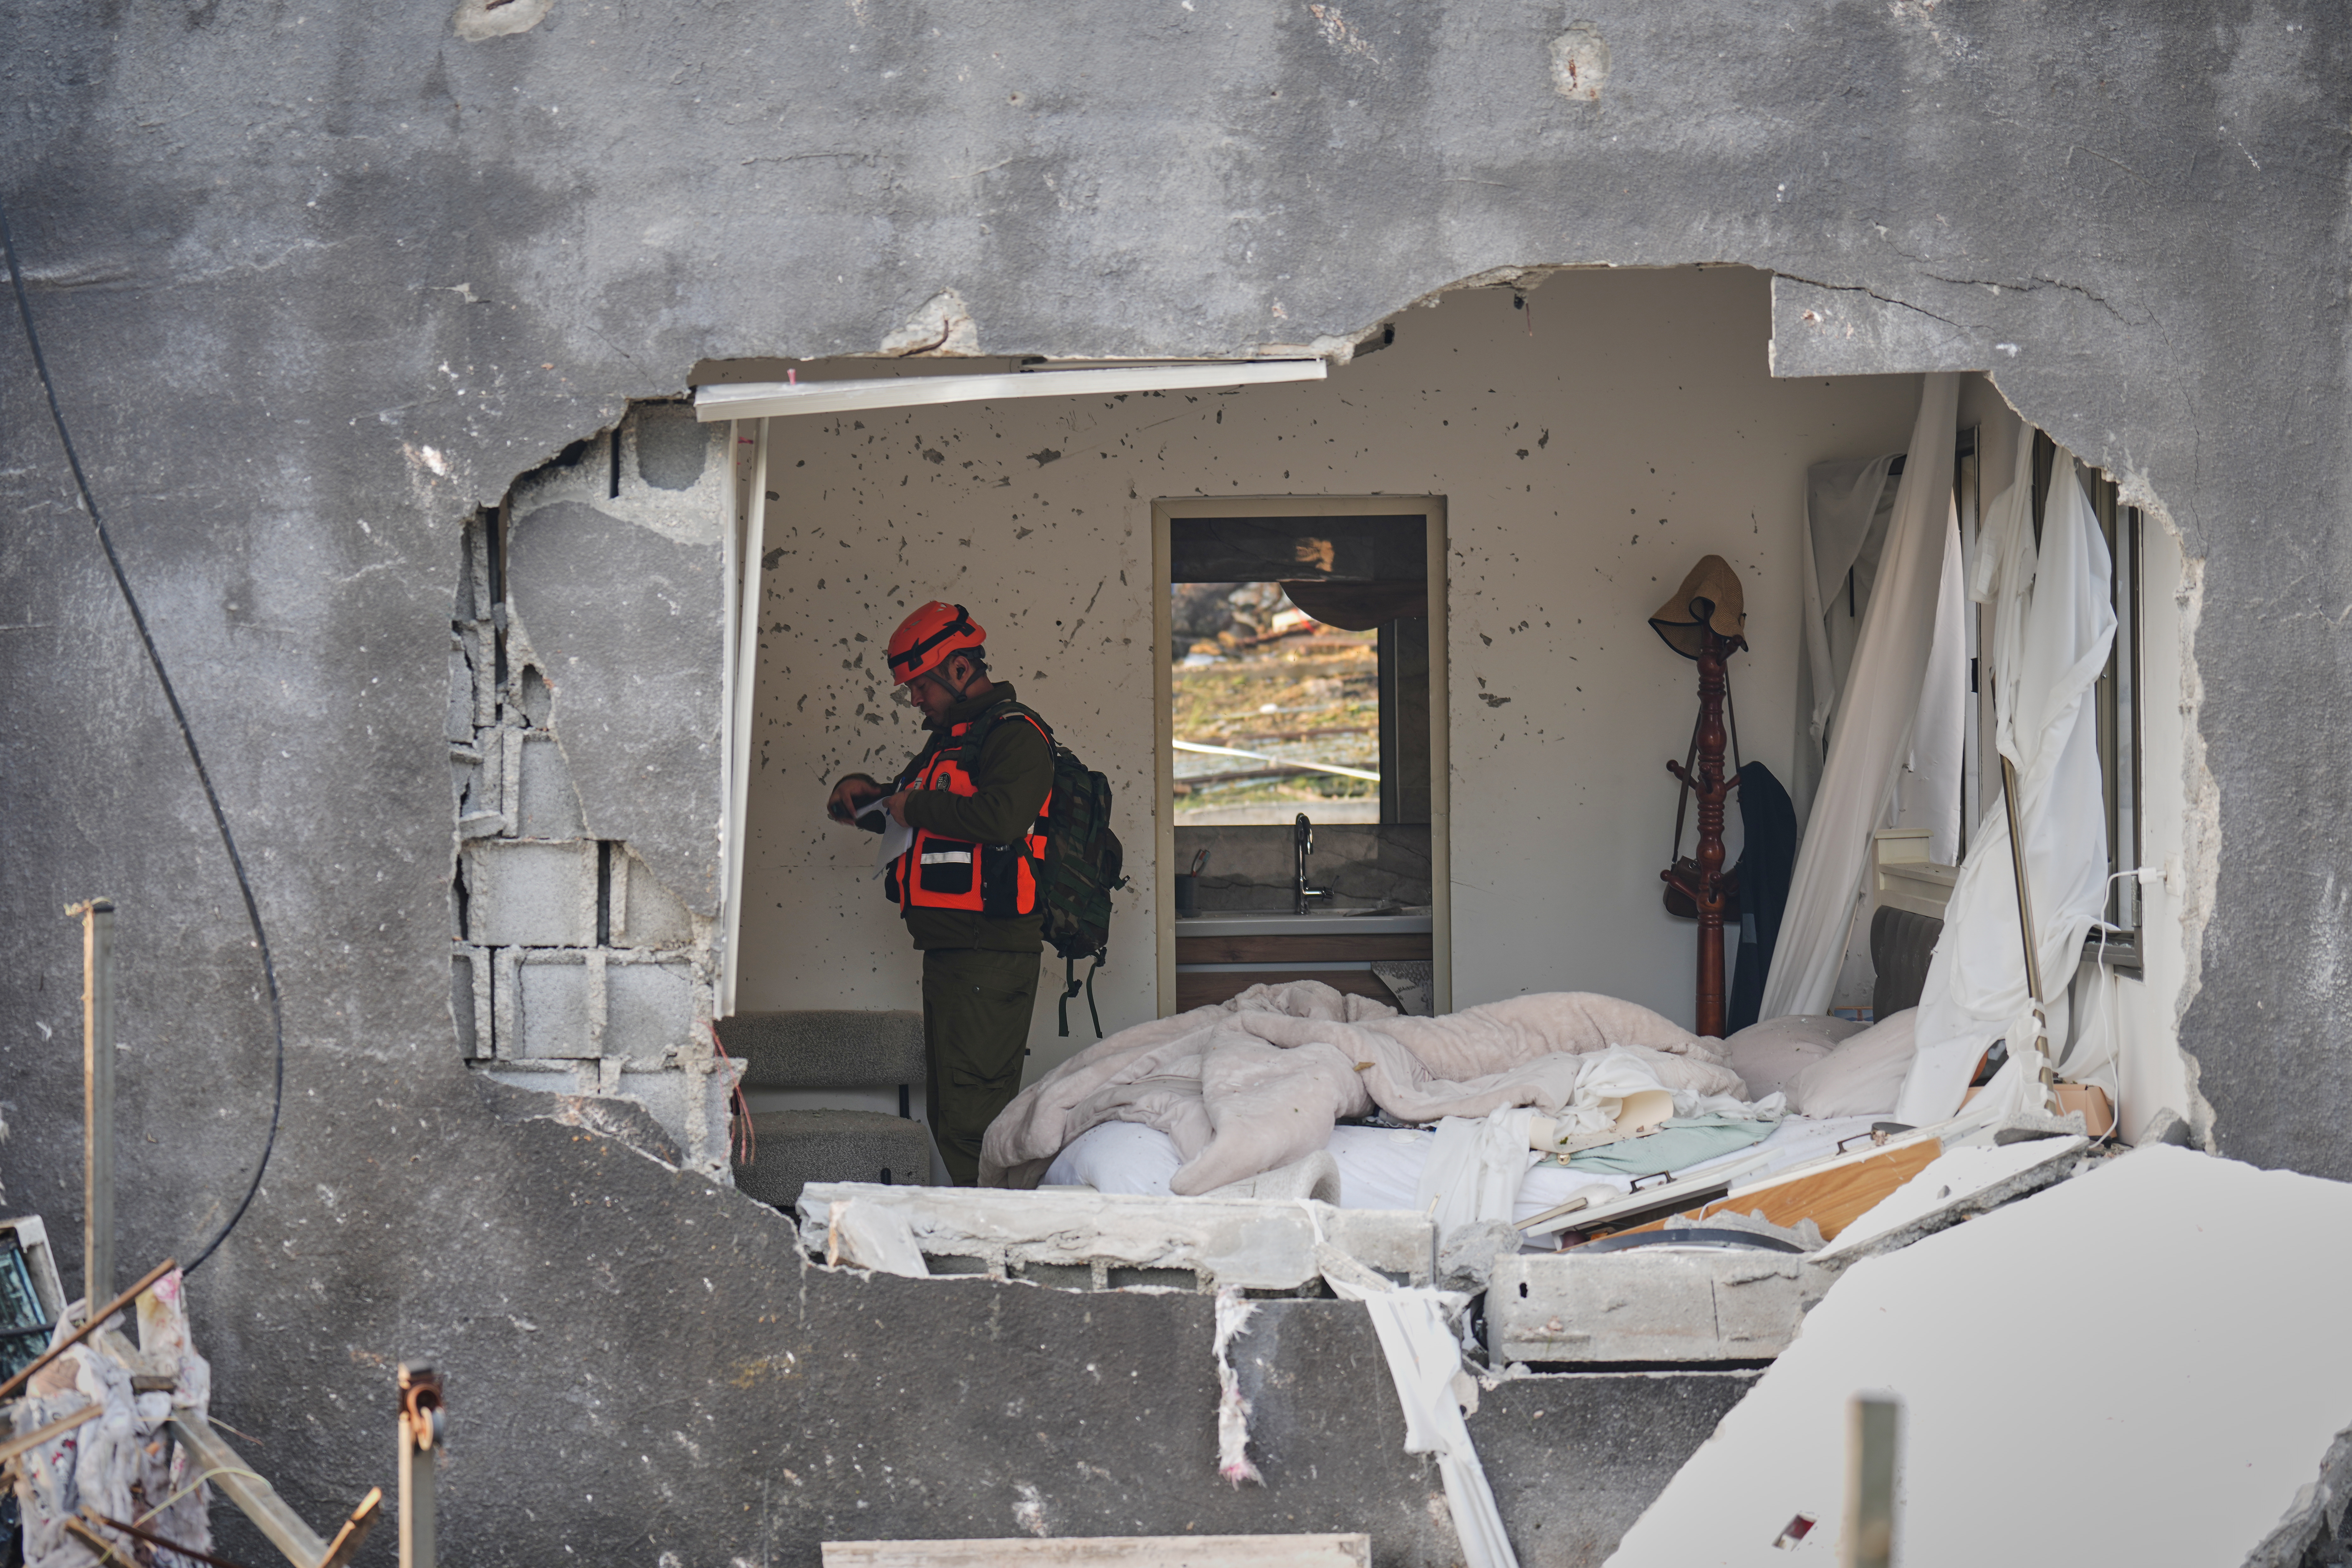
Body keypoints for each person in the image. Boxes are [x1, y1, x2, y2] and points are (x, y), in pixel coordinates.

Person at [827, 602, 1054, 1185]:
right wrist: (870, 800)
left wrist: (912, 802)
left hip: (991, 952)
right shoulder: (949, 741)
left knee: (974, 1115)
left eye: (919, 686)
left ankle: (992, 1242)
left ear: (958, 669)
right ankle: (979, 1231)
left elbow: (1001, 819)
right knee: (952, 1108)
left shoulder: (1015, 734)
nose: (915, 700)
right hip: (953, 951)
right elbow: (920, 819)